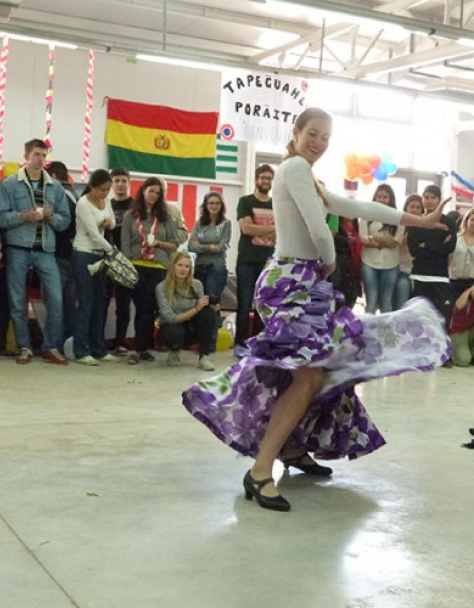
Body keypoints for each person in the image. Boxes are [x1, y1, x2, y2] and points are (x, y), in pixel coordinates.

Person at [182, 108, 451, 512]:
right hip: (289, 284)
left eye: (326, 136)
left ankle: (290, 449)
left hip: (305, 286)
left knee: (321, 374)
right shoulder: (291, 168)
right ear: (295, 132)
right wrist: (326, 261)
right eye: (313, 133)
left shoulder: (307, 174)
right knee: (307, 378)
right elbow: (318, 227)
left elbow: (355, 207)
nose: (320, 142)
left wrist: (420, 220)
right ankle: (259, 472)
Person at [0, 139, 71, 365]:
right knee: (17, 299)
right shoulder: (9, 184)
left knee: (56, 298)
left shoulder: (55, 187)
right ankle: (24, 346)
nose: (40, 159)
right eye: (36, 154)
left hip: (46, 249)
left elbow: (65, 221)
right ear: (26, 156)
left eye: (43, 155)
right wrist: (21, 217)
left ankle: (50, 346)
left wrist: (51, 217)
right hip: (17, 248)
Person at [121, 177, 180, 364]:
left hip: (158, 268)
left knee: (149, 309)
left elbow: (175, 244)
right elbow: (125, 245)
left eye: (158, 192)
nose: (154, 195)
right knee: (142, 307)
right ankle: (140, 348)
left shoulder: (166, 217)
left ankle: (143, 347)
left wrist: (159, 243)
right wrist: (135, 257)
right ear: (143, 190)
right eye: (151, 191)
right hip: (137, 267)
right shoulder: (130, 215)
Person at [71, 169, 118, 365]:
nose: (105, 194)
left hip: (101, 256)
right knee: (87, 304)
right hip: (84, 255)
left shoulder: (106, 200)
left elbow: (113, 222)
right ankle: (81, 350)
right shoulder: (82, 204)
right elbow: (94, 235)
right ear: (91, 186)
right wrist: (114, 253)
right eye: (101, 190)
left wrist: (109, 222)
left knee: (101, 304)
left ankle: (99, 348)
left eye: (108, 190)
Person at [235, 165, 276, 352]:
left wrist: (256, 227)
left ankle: (258, 344)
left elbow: (280, 234)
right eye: (263, 177)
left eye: (269, 178)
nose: (266, 181)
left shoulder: (276, 205)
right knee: (244, 304)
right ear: (256, 179)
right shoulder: (245, 201)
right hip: (246, 261)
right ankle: (240, 344)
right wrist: (271, 229)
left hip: (268, 262)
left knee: (264, 305)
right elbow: (246, 229)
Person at [408, 184, 457, 332]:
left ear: (439, 200)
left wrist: (426, 245)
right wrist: (437, 245)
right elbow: (414, 250)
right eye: (426, 197)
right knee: (416, 318)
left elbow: (449, 248)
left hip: (440, 276)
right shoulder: (415, 221)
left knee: (442, 317)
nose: (429, 201)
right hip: (419, 275)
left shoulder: (448, 222)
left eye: (433, 198)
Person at [156, 252, 217, 371]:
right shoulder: (161, 287)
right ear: (172, 266)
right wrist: (195, 309)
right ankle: (173, 350)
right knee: (172, 332)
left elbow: (202, 309)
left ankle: (204, 356)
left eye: (187, 266)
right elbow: (169, 318)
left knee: (209, 314)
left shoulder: (197, 284)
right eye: (180, 265)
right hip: (172, 326)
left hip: (191, 325)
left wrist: (210, 305)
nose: (183, 269)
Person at [46, 161, 78, 352]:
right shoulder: (76, 195)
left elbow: (64, 227)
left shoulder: (59, 197)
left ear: (54, 177)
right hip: (73, 255)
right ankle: (67, 344)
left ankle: (55, 345)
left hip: (59, 255)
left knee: (56, 304)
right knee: (69, 304)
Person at [359, 184, 404, 314]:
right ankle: (367, 331)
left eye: (385, 197)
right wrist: (384, 240)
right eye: (379, 196)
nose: (382, 200)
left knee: (386, 302)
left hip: (391, 264)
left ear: (391, 199)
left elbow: (397, 241)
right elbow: (363, 238)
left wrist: (374, 239)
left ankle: (384, 333)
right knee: (371, 302)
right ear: (375, 198)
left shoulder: (398, 217)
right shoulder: (366, 215)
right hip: (369, 262)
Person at [188, 191, 231, 312]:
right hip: (200, 266)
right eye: (211, 203)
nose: (214, 206)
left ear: (221, 206)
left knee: (212, 302)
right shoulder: (199, 223)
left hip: (216, 268)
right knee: (199, 302)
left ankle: (212, 330)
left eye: (217, 203)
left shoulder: (226, 223)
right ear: (206, 205)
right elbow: (191, 246)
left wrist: (200, 245)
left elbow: (222, 246)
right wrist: (210, 247)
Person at [107, 167, 135, 354]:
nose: (120, 184)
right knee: (105, 302)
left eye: (123, 180)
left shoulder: (136, 206)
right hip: (108, 258)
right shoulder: (106, 204)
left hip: (129, 260)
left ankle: (121, 342)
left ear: (128, 182)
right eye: (116, 180)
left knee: (125, 304)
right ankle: (102, 342)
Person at [393, 194, 423, 310]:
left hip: (417, 272)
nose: (415, 210)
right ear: (406, 208)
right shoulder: (399, 225)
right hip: (399, 269)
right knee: (401, 298)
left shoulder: (424, 228)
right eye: (412, 206)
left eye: (418, 207)